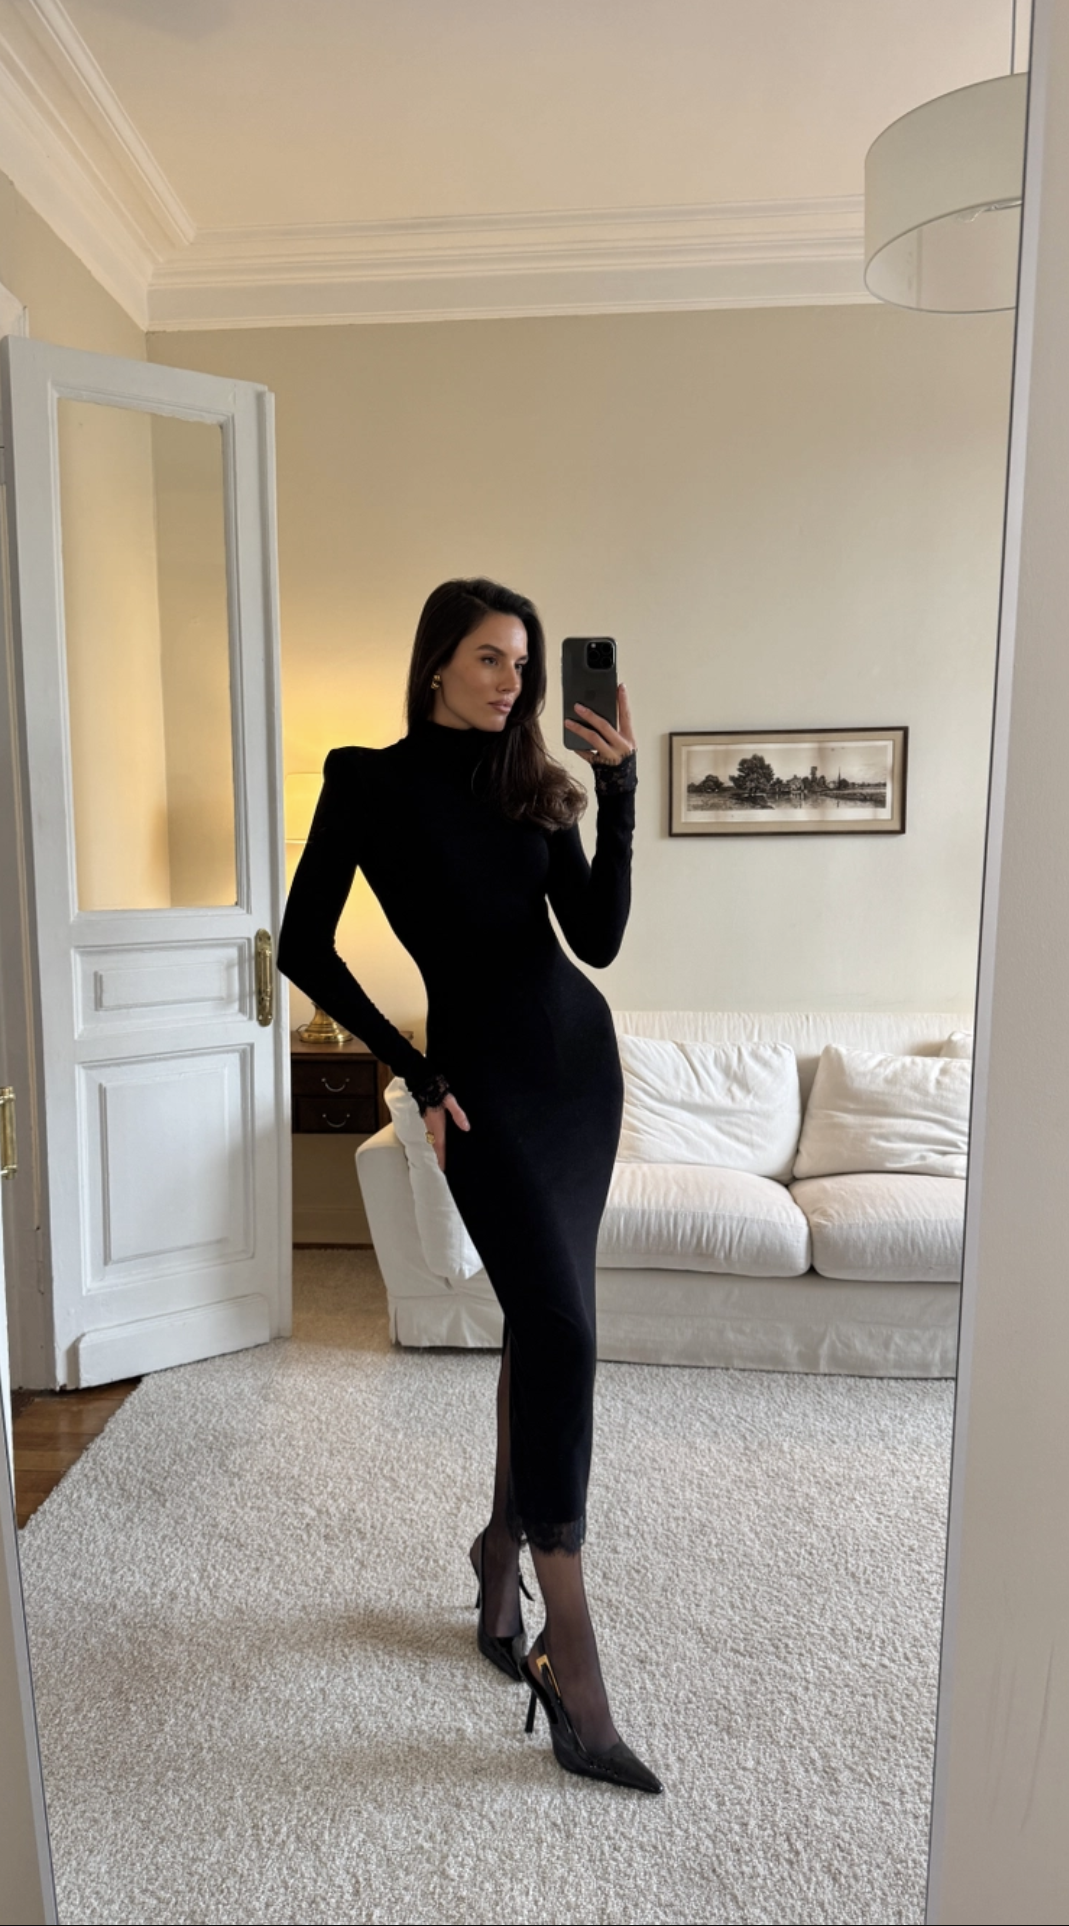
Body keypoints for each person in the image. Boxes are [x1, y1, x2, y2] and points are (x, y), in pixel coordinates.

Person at [277, 577, 660, 1793]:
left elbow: (595, 939)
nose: (512, 683)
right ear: (438, 658)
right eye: (492, 658)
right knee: (560, 1326)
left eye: (525, 666)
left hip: (577, 1072)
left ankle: (501, 1555)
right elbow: (303, 945)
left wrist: (618, 793)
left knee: (550, 1324)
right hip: (482, 1092)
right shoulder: (366, 781)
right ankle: (572, 1656)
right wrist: (414, 1072)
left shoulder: (531, 778)